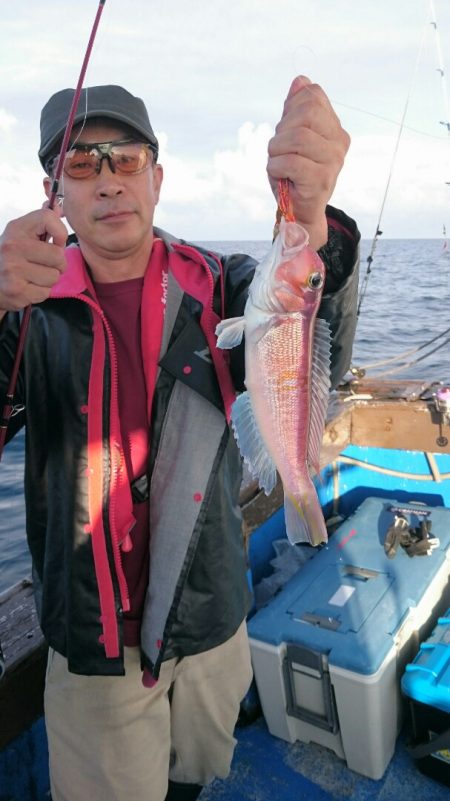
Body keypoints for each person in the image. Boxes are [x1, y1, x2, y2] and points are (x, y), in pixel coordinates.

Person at [0, 77, 360, 801]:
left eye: (126, 159)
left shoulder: (223, 285)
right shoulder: (26, 313)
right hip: (94, 650)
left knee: (197, 774)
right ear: (53, 192)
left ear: (157, 179)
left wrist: (318, 226)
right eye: (81, 163)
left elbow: (312, 328)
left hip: (212, 624)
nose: (107, 181)